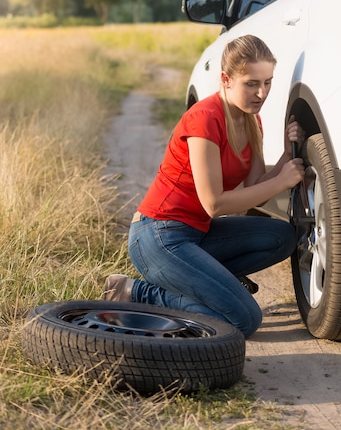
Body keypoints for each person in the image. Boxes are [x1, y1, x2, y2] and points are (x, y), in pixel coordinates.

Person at [104, 35, 305, 338]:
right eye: (251, 83)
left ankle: (207, 283)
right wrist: (281, 181)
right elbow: (215, 204)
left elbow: (255, 191)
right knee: (244, 320)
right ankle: (136, 292)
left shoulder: (253, 121)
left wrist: (286, 157)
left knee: (282, 237)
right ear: (226, 79)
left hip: (197, 234)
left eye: (268, 82)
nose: (261, 93)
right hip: (157, 236)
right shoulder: (204, 119)